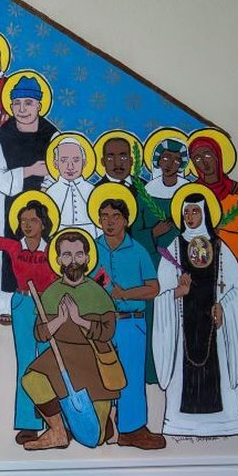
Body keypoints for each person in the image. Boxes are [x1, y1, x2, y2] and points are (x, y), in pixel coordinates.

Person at [150, 191, 238, 438]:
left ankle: (225, 420)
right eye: (186, 212)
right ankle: (180, 421)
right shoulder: (174, 248)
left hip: (213, 324)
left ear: (205, 213)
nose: (190, 216)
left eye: (195, 211)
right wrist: (177, 292)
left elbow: (236, 289)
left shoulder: (220, 248)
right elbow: (161, 294)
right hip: (184, 321)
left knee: (216, 363)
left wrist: (224, 306)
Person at [19, 230, 123, 451]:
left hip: (93, 358)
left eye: (78, 255)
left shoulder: (97, 293)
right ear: (58, 260)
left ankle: (107, 423)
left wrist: (79, 320)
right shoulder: (51, 292)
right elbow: (40, 333)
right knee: (32, 379)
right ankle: (57, 431)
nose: (73, 261)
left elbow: (108, 332)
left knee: (95, 437)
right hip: (60, 355)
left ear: (86, 258)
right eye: (66, 255)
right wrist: (59, 320)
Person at [89, 192, 164, 449]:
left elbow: (153, 288)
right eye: (104, 216)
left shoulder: (138, 250)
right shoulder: (92, 249)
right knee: (101, 374)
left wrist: (126, 294)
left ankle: (132, 430)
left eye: (116, 216)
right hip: (101, 323)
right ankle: (102, 426)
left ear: (126, 220)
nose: (109, 222)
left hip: (132, 321)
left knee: (131, 375)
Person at [188, 134, 238, 378]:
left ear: (219, 157)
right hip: (203, 271)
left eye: (208, 154)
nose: (203, 162)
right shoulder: (194, 196)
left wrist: (219, 236)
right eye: (196, 158)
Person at [0, 196, 57, 445]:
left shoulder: (52, 248)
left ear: (43, 223)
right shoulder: (16, 247)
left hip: (48, 306)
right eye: (23, 220)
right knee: (27, 363)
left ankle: (56, 423)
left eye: (33, 220)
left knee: (51, 362)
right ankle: (29, 422)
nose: (28, 225)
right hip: (23, 304)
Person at [0, 76, 56, 323]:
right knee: (10, 251)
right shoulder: (2, 136)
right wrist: (29, 171)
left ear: (39, 105)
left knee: (46, 251)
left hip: (45, 202)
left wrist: (46, 184)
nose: (22, 109)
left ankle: (48, 300)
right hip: (11, 202)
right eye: (17, 103)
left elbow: (57, 170)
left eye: (28, 103)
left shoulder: (51, 133)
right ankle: (6, 305)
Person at [45, 135, 96, 231]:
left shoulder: (92, 190)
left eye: (76, 160)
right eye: (64, 161)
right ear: (56, 164)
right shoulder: (51, 192)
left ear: (84, 163)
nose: (70, 167)